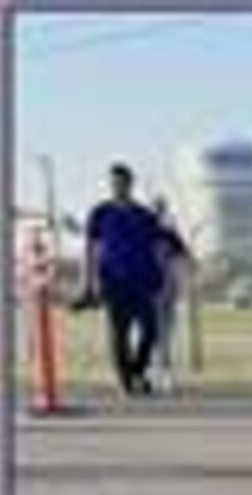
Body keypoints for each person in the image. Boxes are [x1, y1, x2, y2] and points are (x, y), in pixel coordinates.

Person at [76, 163, 169, 396]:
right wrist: (87, 281)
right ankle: (126, 382)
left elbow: (157, 247)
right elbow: (90, 248)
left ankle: (137, 371)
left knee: (151, 330)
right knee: (119, 334)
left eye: (122, 182)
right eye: (113, 183)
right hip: (112, 282)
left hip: (143, 282)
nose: (117, 187)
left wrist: (161, 276)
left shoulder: (145, 215)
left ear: (130, 183)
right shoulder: (100, 213)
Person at [147, 196, 192, 393]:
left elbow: (186, 258)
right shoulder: (143, 234)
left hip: (168, 290)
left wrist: (182, 276)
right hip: (149, 291)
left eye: (161, 209)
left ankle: (165, 375)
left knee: (166, 335)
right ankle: (150, 373)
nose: (158, 213)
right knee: (150, 334)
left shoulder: (170, 234)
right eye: (156, 209)